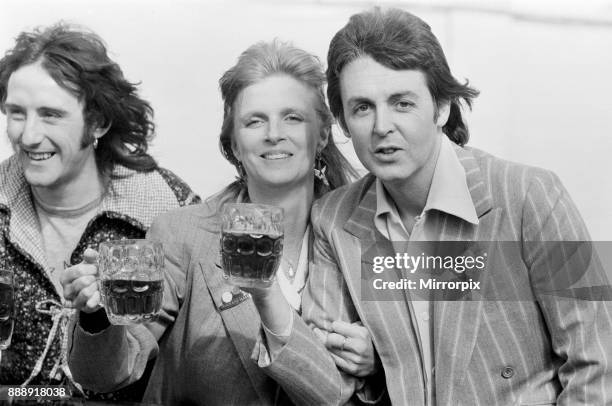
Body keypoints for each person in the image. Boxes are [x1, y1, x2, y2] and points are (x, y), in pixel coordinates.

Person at [261, 7, 612, 406]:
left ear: (441, 108)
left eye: (402, 103)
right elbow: (328, 386)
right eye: (362, 107)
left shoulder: (533, 195)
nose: (381, 126)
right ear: (342, 122)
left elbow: (599, 362)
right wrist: (370, 364)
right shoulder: (334, 220)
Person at [63, 40, 377, 405]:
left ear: (322, 134)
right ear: (233, 143)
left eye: (292, 117)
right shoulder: (182, 235)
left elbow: (419, 358)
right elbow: (110, 373)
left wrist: (377, 364)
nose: (273, 133)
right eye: (255, 120)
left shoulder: (360, 235)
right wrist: (96, 316)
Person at [0, 23, 199, 400]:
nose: (27, 136)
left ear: (98, 122)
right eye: (16, 113)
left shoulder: (167, 207)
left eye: (50, 115)